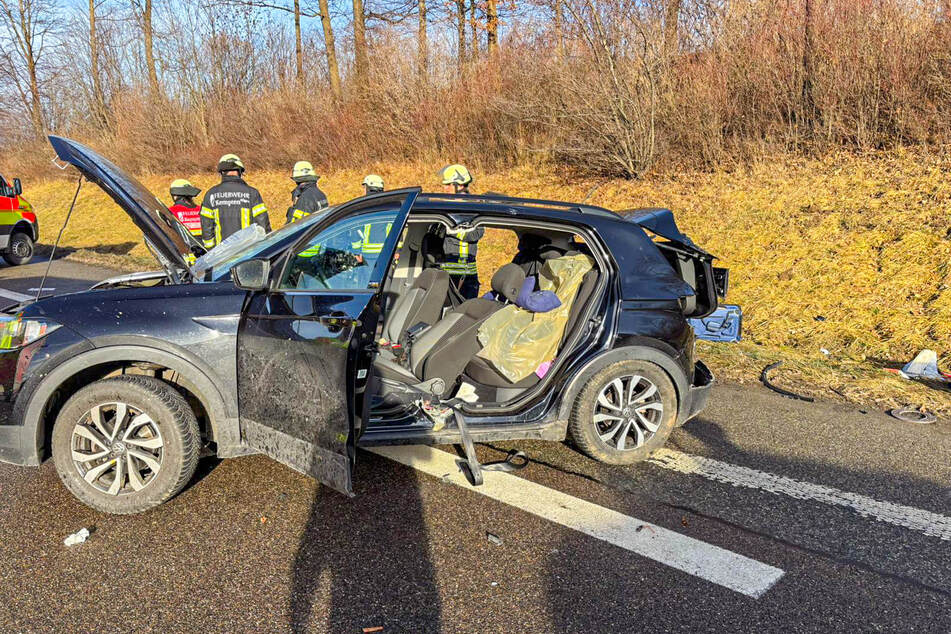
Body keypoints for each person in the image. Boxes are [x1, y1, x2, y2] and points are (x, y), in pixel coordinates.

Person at [199, 154, 270, 249]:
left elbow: (206, 228)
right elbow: (262, 224)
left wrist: (211, 250)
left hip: (222, 253)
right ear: (240, 171)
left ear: (222, 172)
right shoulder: (252, 193)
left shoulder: (211, 194)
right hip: (247, 251)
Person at [432, 164, 482, 298]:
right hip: (445, 275)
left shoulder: (474, 207)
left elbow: (476, 233)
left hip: (465, 277)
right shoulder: (446, 205)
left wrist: (452, 231)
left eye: (448, 184)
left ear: (459, 185)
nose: (445, 188)